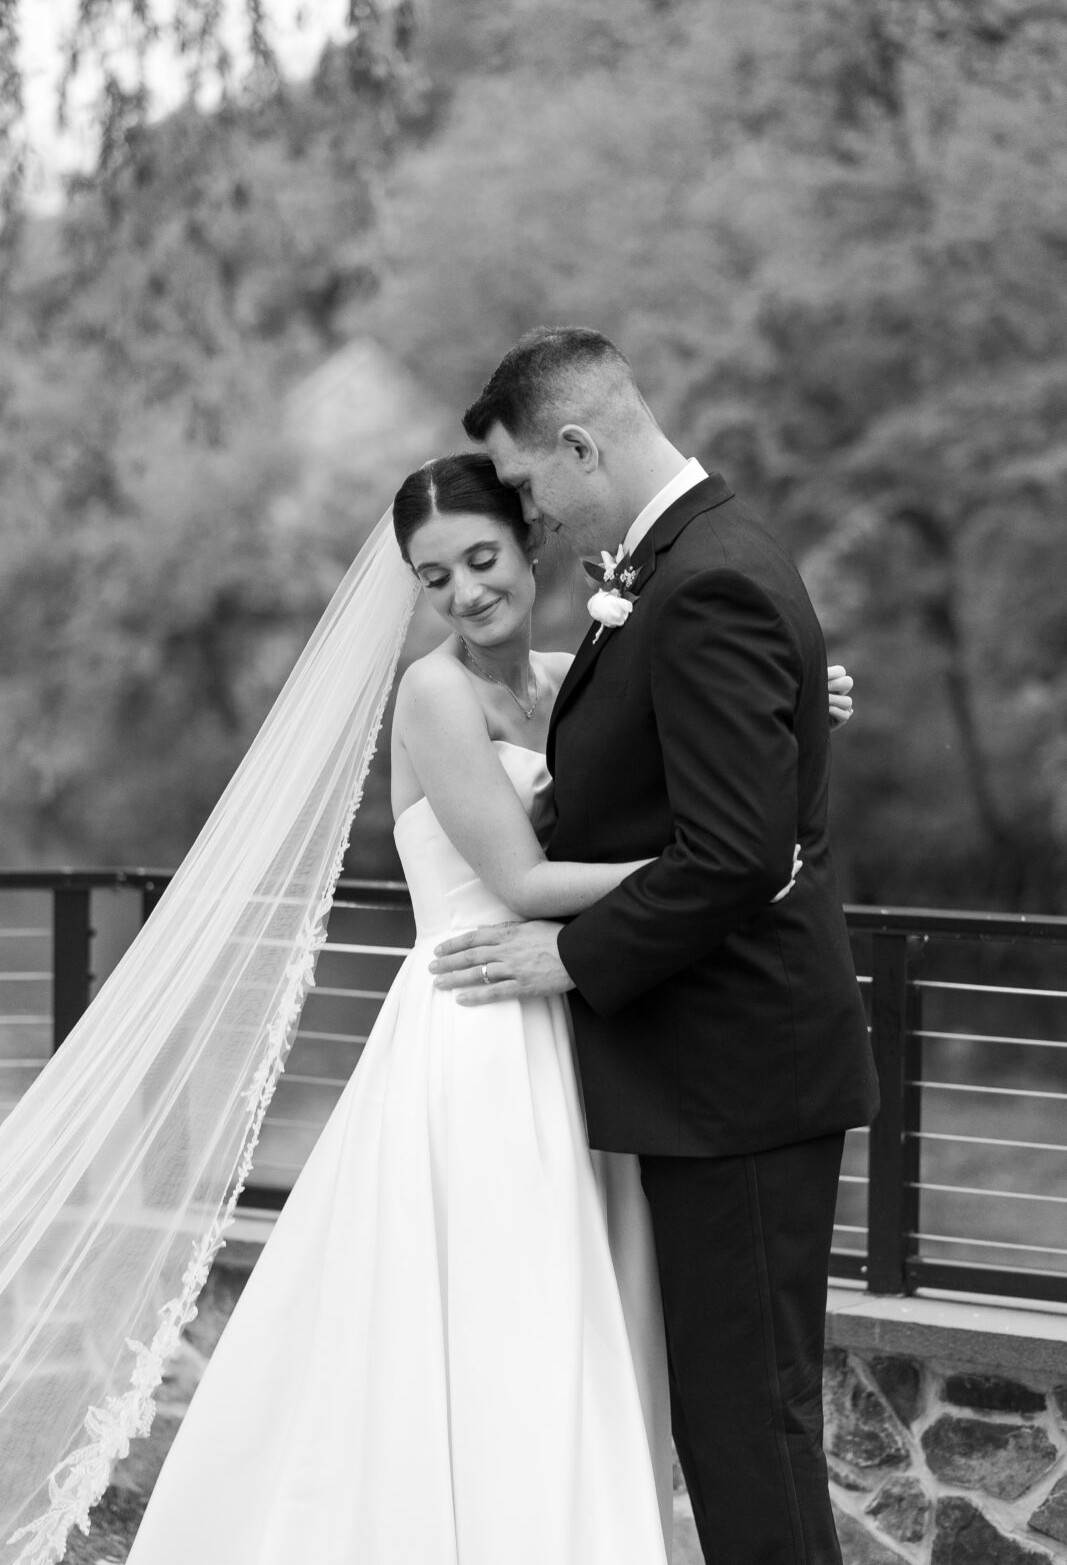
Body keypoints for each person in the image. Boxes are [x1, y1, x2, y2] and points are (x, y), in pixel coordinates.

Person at [106, 453, 848, 1565]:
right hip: (476, 1028)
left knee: (572, 1334)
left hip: (584, 1028)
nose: (464, 593)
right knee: (483, 1321)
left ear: (531, 542)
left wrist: (800, 697)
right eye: (433, 576)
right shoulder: (432, 695)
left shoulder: (578, 675)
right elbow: (523, 885)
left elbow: (702, 726)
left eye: (482, 558)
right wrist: (726, 864)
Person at [429, 328, 881, 1565]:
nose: (529, 516)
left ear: (580, 445)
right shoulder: (684, 569)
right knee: (734, 1416)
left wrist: (569, 957)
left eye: (526, 488)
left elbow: (736, 853)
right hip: (713, 1072)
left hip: (737, 1075)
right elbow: (686, 779)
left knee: (746, 1424)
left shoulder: (706, 577)